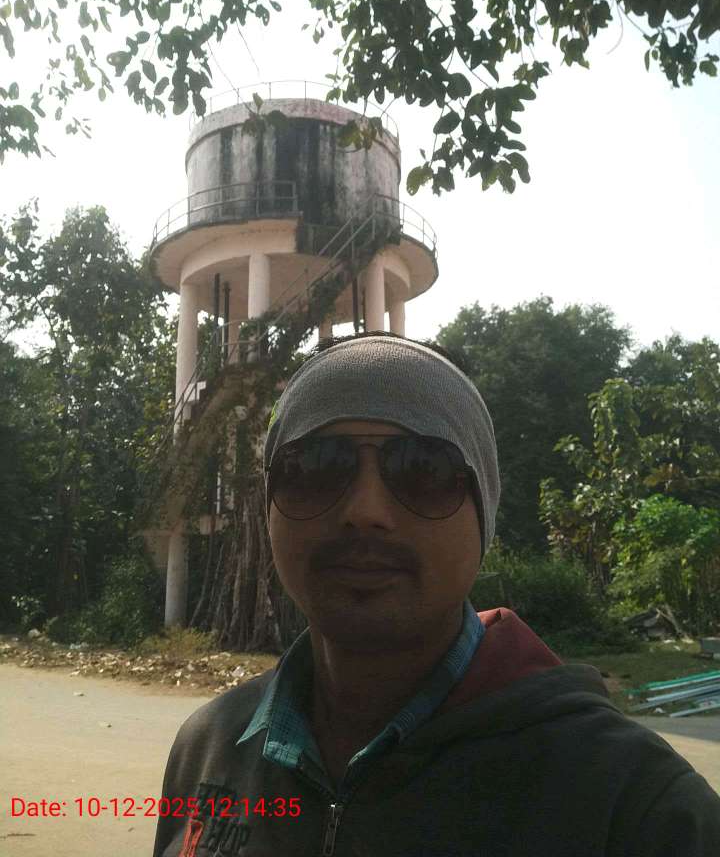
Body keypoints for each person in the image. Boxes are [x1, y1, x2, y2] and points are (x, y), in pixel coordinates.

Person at [153, 332, 720, 857]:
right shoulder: (208, 750)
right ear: (269, 507)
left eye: (423, 469)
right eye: (316, 467)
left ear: (483, 516)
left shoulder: (638, 807)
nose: (365, 511)